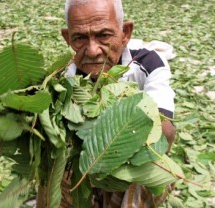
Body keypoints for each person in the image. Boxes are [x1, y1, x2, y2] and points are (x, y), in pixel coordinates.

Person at [61, 0, 176, 207]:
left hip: (131, 162)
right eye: (79, 38)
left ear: (125, 32)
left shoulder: (148, 62)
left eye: (104, 35)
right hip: (86, 164)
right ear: (67, 38)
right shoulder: (66, 77)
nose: (93, 50)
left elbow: (165, 132)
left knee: (154, 167)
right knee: (55, 162)